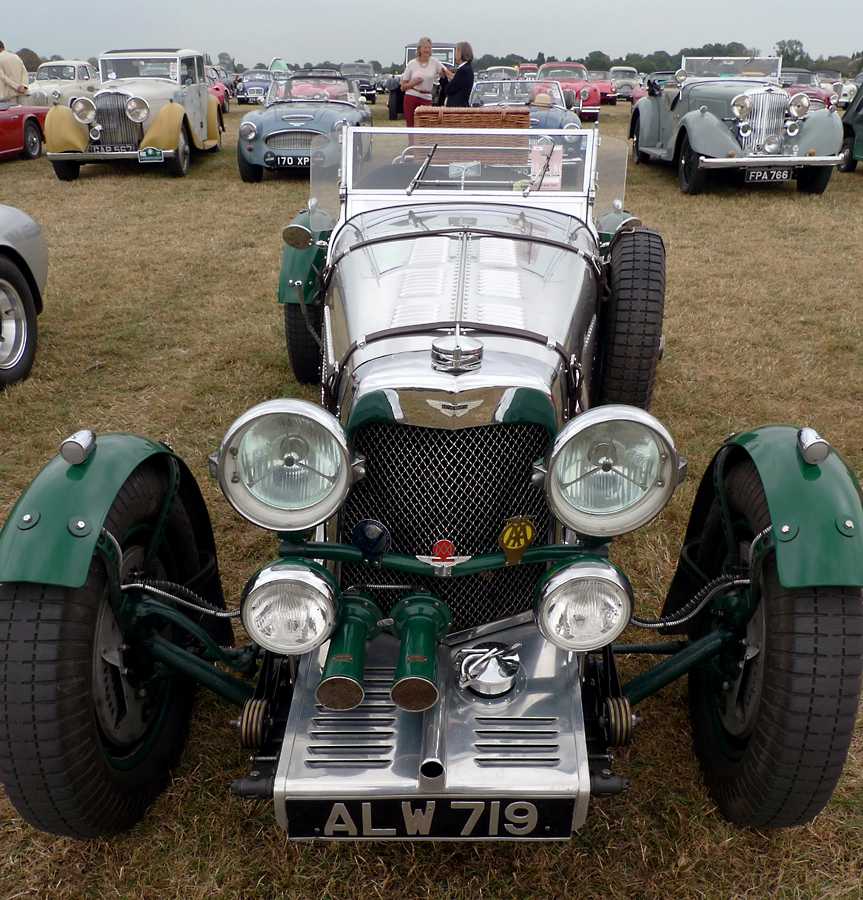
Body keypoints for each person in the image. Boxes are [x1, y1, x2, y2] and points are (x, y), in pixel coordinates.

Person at [400, 37, 451, 127]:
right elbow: (402, 87)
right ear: (419, 49)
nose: (427, 50)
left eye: (429, 48)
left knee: (426, 126)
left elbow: (446, 73)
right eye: (425, 47)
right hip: (412, 96)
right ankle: (411, 137)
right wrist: (412, 83)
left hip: (426, 98)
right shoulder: (411, 64)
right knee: (411, 125)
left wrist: (452, 75)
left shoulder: (434, 62)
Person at [444, 42, 475, 107]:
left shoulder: (463, 70)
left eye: (456, 51)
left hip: (456, 108)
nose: (455, 54)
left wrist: (444, 77)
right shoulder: (467, 68)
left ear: (461, 53)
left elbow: (449, 89)